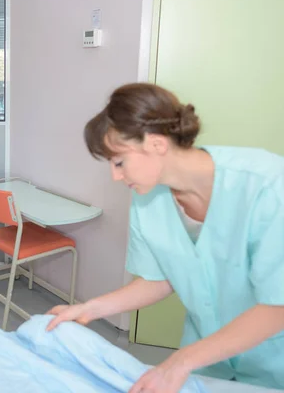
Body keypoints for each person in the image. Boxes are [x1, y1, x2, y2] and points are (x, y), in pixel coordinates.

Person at [46, 83, 284, 392]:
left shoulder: (268, 188)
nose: (115, 176)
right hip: (209, 359)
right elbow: (158, 279)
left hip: (273, 358)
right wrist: (90, 308)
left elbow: (278, 305)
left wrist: (180, 361)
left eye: (119, 162)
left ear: (157, 144)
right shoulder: (148, 200)